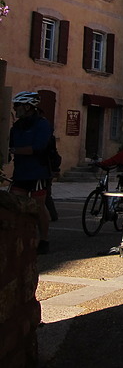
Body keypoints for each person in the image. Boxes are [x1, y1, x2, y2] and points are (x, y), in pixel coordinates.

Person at [8, 91, 55, 254]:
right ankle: (20, 236)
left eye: (17, 106)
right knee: (16, 204)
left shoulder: (42, 124)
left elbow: (38, 148)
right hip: (20, 171)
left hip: (38, 172)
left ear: (28, 107)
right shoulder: (17, 126)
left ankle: (44, 239)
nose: (15, 109)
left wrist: (14, 150)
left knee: (38, 207)